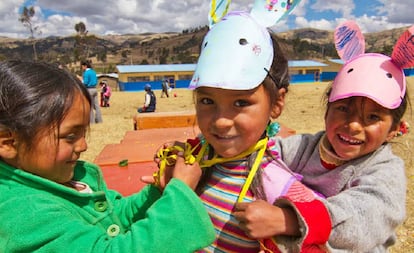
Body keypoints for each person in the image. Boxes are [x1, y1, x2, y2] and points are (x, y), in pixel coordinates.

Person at [148, 6, 330, 252]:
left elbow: (324, 229)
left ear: (276, 104)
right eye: (207, 101)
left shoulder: (275, 184)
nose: (221, 121)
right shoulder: (194, 161)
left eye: (241, 102)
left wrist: (286, 222)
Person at [231, 21, 414, 252]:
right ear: (327, 110)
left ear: (395, 129)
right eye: (343, 109)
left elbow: (367, 214)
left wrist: (287, 220)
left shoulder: (385, 169)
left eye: (373, 117)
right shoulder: (309, 146)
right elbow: (267, 151)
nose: (354, 125)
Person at [0, 60, 215, 252]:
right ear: (9, 143)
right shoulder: (22, 214)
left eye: (84, 133)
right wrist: (180, 194)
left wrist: (157, 192)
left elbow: (116, 214)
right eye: (70, 136)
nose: (83, 145)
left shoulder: (68, 177)